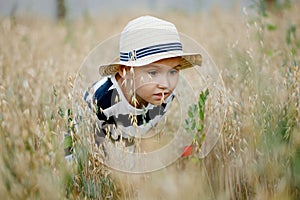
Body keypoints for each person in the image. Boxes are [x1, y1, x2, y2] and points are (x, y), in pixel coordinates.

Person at [83, 15, 202, 153]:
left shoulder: (166, 96)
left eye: (173, 72)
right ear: (126, 71)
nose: (165, 84)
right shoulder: (102, 101)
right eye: (153, 73)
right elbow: (83, 147)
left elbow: (147, 130)